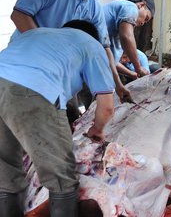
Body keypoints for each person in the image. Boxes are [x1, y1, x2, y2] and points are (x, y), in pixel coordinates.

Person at [0, 20, 115, 217]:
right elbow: (107, 106)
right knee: (61, 176)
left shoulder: (38, 33)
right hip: (33, 91)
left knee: (5, 170)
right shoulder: (91, 44)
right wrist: (97, 129)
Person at [9, 0, 133, 103]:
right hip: (24, 62)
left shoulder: (94, 7)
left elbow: (104, 48)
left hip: (58, 72)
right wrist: (46, 50)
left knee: (69, 114)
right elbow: (19, 15)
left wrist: (118, 84)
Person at [103, 0, 155, 79]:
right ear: (142, 5)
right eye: (146, 18)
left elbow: (112, 61)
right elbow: (126, 37)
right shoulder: (131, 7)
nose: (142, 23)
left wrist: (131, 74)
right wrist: (138, 68)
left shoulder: (117, 24)